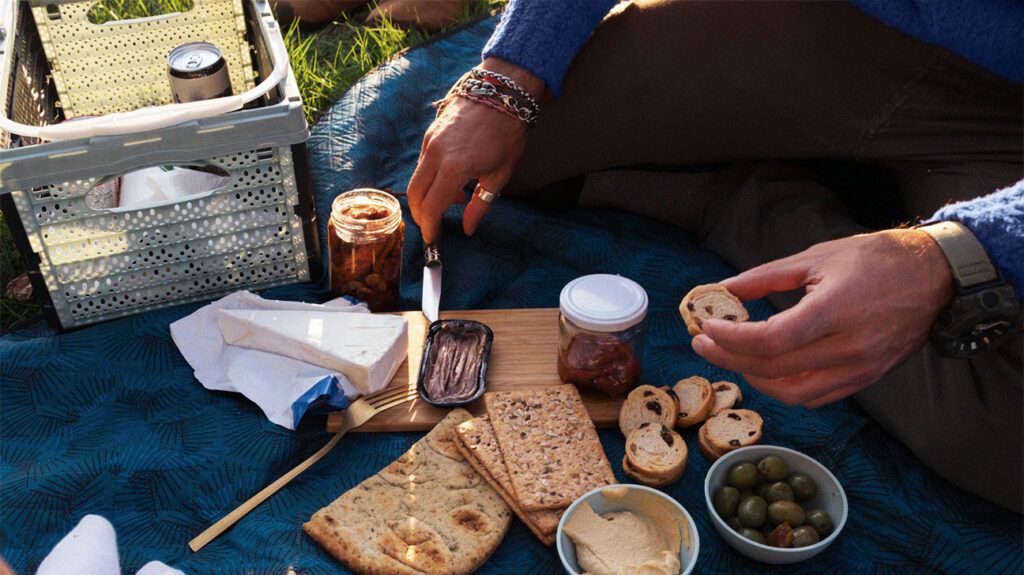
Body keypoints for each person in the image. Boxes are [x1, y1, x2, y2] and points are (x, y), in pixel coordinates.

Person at [407, 0, 1024, 512]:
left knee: (1004, 447)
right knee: (490, 163)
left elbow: (967, 256)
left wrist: (957, 253)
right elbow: (511, 86)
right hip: (829, 23)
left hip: (1003, 118)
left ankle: (731, 204)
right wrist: (509, 77)